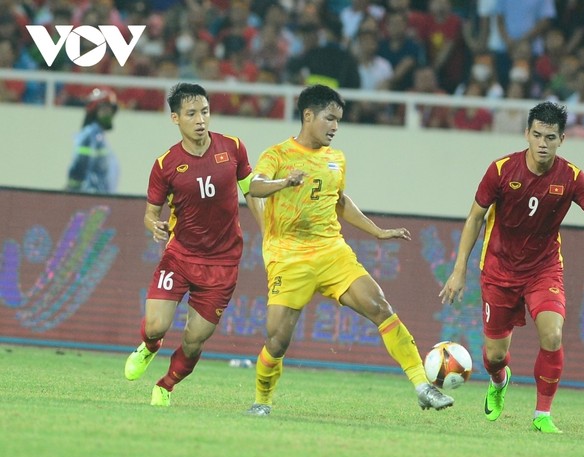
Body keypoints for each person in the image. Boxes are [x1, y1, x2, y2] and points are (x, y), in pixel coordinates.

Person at [245, 84, 453, 416]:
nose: (335, 127)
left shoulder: (336, 159)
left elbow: (340, 201)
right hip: (289, 256)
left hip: (332, 252)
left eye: (338, 120)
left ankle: (422, 385)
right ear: (308, 115)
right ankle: (262, 401)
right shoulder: (278, 155)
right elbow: (253, 187)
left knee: (379, 306)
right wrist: (284, 182)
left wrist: (377, 231)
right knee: (276, 341)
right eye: (330, 118)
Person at [439, 101, 584, 434]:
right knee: (494, 355)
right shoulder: (502, 170)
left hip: (543, 270)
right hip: (499, 270)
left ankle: (542, 414)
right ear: (527, 134)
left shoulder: (572, 177)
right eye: (537, 135)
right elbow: (475, 217)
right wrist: (459, 269)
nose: (543, 143)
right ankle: (500, 379)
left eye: (550, 137)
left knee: (552, 334)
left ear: (562, 139)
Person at [123, 83, 263, 406]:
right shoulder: (166, 164)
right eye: (191, 113)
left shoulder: (233, 148)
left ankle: (166, 385)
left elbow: (251, 192)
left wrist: (268, 230)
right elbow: (150, 213)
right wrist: (153, 226)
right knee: (157, 326)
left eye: (205, 111)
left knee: (194, 340)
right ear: (175, 119)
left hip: (223, 264)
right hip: (180, 256)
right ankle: (149, 346)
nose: (200, 119)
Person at [65, 88, 120, 193]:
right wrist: (72, 194)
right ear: (94, 111)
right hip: (91, 198)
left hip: (100, 197)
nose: (109, 115)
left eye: (110, 111)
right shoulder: (90, 136)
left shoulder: (99, 136)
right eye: (105, 110)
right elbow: (79, 166)